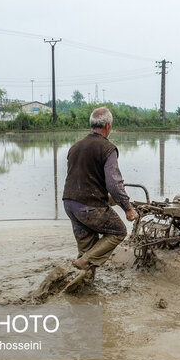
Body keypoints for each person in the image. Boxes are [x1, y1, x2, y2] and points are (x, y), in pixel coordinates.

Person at [62, 107, 138, 281]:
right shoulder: (107, 148)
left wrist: (112, 201)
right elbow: (114, 184)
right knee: (118, 231)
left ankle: (80, 284)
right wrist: (128, 208)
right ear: (108, 125)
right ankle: (84, 262)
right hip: (88, 207)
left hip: (70, 204)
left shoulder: (75, 147)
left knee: (86, 248)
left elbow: (86, 181)